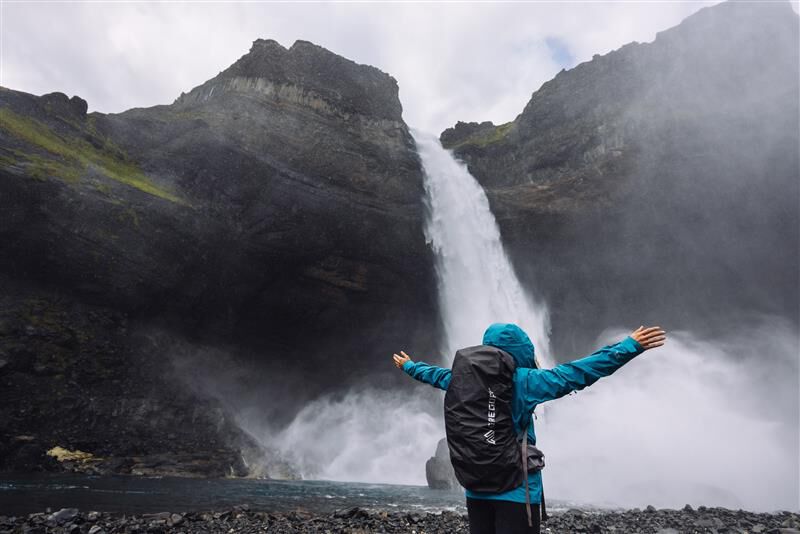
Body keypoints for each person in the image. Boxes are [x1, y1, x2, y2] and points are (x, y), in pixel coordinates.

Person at [393, 323, 667, 534]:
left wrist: (409, 366)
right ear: (522, 351)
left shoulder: (458, 378)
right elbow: (576, 373)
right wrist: (628, 347)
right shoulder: (524, 381)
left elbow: (432, 374)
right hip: (516, 490)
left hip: (475, 486)